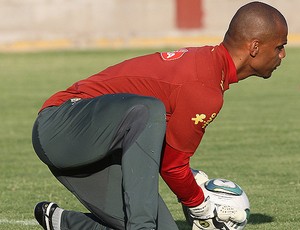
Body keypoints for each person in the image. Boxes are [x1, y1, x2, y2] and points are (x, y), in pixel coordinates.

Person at [32, 1, 288, 230]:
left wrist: (194, 182)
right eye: (279, 47)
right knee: (148, 109)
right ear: (255, 47)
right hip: (60, 124)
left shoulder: (208, 70)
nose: (282, 55)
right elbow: (172, 166)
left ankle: (63, 222)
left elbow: (169, 160)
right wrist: (200, 206)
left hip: (94, 149)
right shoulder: (204, 86)